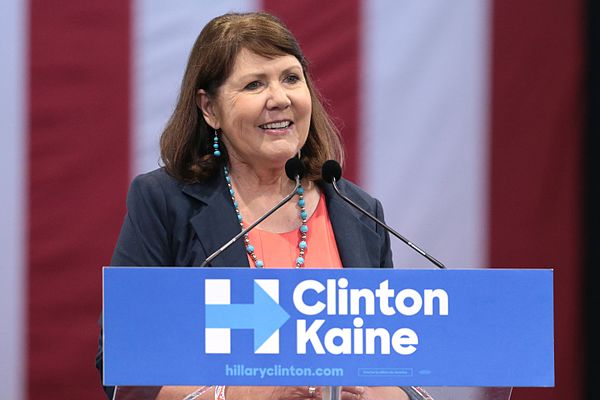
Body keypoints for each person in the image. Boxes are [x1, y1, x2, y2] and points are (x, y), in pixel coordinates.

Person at [96, 11, 421, 400]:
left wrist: (382, 395)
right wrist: (244, 396)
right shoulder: (165, 202)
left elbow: (395, 362)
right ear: (209, 109)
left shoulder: (359, 212)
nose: (279, 99)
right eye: (254, 84)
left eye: (290, 78)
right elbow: (124, 370)